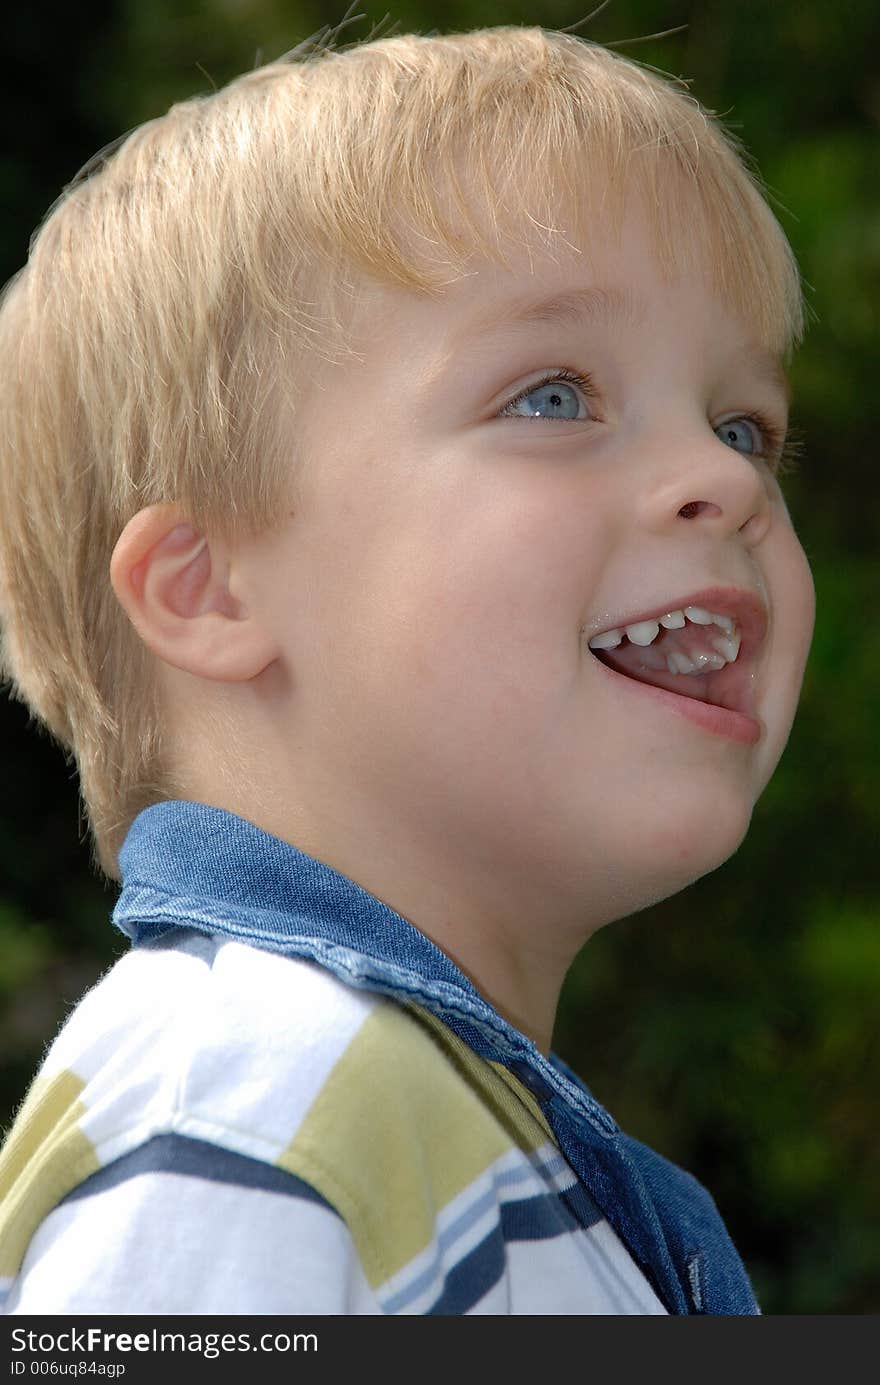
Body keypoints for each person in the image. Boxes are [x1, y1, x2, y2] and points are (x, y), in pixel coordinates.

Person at [0, 21, 815, 1315]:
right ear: (210, 588)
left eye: (745, 425)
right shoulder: (245, 1113)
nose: (727, 478)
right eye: (554, 397)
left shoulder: (429, 1133)